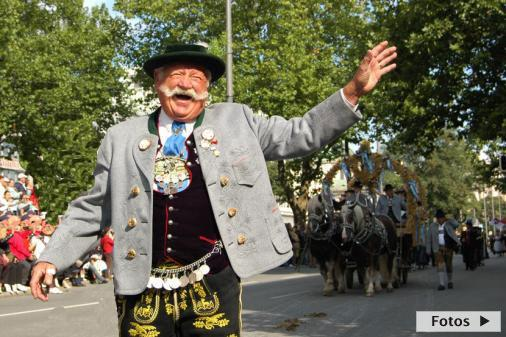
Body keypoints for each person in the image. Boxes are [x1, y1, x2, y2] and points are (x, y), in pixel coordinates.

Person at [31, 41, 397, 336]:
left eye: (196, 76)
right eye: (176, 74)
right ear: (157, 82)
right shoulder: (120, 137)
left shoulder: (239, 121)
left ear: (207, 89)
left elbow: (300, 134)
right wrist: (52, 256)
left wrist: (352, 91)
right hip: (141, 282)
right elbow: (94, 206)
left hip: (215, 278)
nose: (186, 83)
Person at [426, 209, 460, 291]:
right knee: (440, 265)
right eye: (438, 218)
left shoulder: (449, 224)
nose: (440, 219)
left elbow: (457, 224)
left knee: (448, 265)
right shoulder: (432, 226)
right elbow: (428, 239)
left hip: (448, 248)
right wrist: (428, 249)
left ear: (444, 218)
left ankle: (450, 281)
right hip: (437, 248)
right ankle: (441, 284)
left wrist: (449, 218)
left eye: (441, 217)